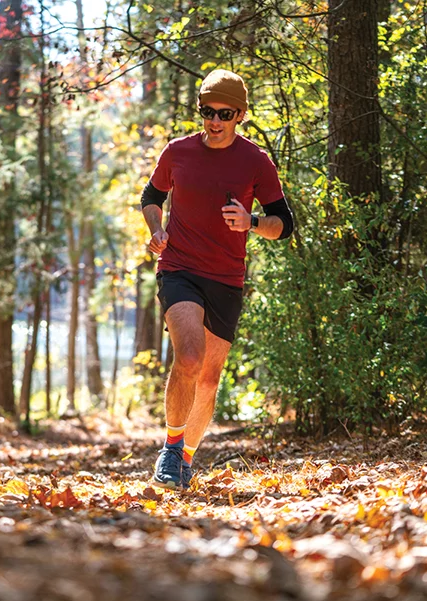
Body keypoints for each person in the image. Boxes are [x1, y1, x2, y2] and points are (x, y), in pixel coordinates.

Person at [140, 68, 294, 490]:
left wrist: (252, 222)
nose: (214, 121)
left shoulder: (256, 162)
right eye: (207, 111)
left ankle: (185, 458)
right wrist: (156, 230)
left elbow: (285, 223)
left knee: (208, 377)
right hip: (179, 268)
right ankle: (171, 449)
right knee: (188, 358)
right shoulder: (178, 152)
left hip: (226, 278)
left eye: (224, 113)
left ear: (240, 114)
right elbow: (152, 196)